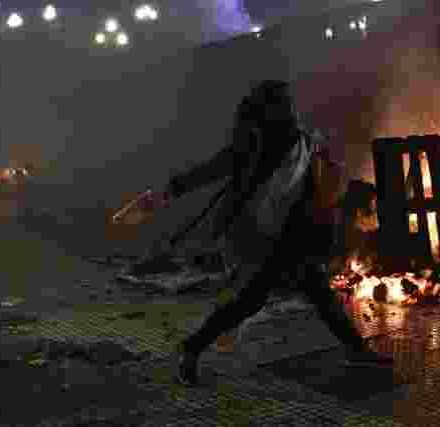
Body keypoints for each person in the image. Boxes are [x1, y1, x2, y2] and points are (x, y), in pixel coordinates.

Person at [137, 80, 392, 386]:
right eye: (282, 105)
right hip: (260, 235)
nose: (290, 110)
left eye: (289, 104)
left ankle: (356, 350)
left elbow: (320, 184)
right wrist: (168, 192)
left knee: (315, 292)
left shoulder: (303, 141)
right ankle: (190, 349)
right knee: (252, 300)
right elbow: (211, 170)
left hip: (292, 234)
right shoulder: (253, 145)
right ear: (268, 111)